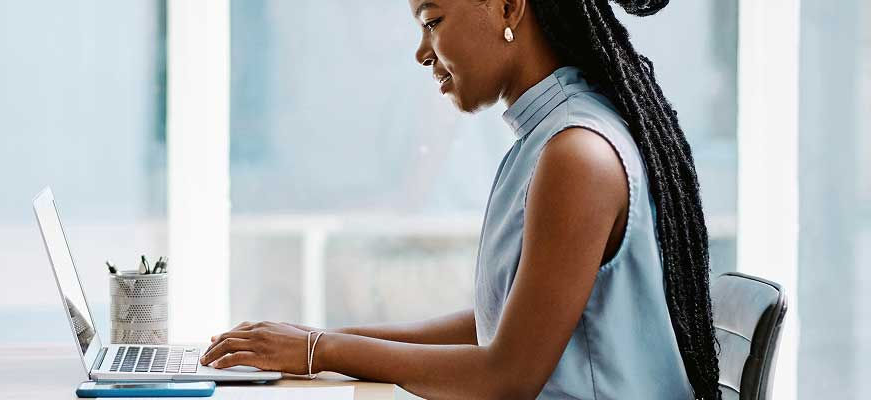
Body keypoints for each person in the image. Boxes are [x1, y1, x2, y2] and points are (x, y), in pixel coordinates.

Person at [198, 0, 721, 398]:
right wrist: (319, 339)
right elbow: (494, 324)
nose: (422, 51)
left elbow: (508, 377)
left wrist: (321, 352)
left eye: (433, 21)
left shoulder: (576, 154)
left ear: (508, 7)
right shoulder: (548, 139)